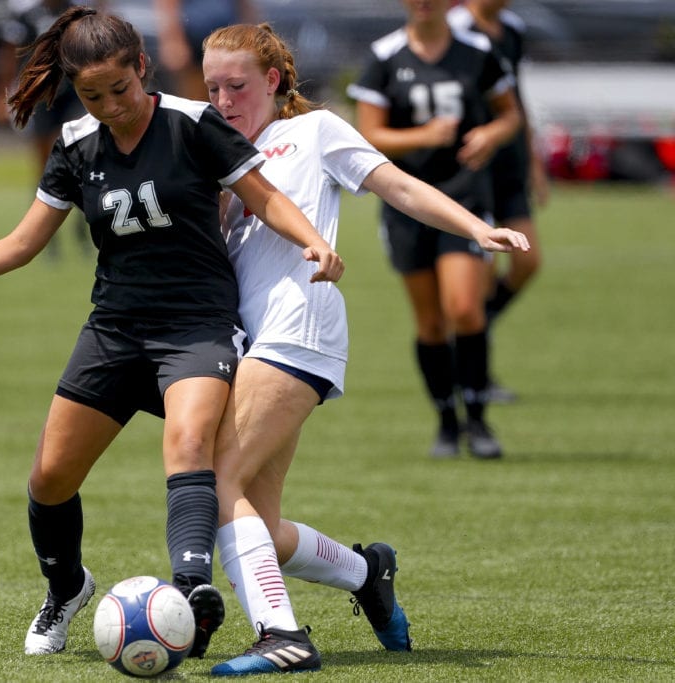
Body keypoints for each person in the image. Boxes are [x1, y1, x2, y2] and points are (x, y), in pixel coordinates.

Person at [0, 5, 343, 660]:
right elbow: (24, 242)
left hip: (197, 326)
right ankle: (66, 587)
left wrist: (313, 245)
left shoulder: (193, 124)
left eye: (120, 90)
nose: (109, 105)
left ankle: (191, 595)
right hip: (114, 331)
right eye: (91, 94)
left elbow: (266, 197)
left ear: (143, 68)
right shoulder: (76, 143)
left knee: (188, 444)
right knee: (50, 478)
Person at [200, 22, 529, 675]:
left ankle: (281, 635)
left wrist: (475, 228)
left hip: (301, 326)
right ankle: (367, 571)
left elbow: (396, 184)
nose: (223, 99)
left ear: (273, 80)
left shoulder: (316, 130)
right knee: (258, 521)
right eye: (211, 87)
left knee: (215, 482)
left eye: (236, 85)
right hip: (249, 338)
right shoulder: (217, 149)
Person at [348, 0, 522, 459]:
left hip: (465, 196)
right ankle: (447, 423)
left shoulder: (477, 51)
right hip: (406, 201)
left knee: (465, 308)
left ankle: (479, 421)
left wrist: (491, 134)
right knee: (429, 321)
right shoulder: (386, 55)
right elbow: (367, 134)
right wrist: (423, 137)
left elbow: (510, 113)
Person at [448, 0, 548, 403]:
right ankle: (477, 377)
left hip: (510, 162)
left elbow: (514, 100)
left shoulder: (512, 29)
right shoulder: (454, 27)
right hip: (474, 167)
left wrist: (534, 161)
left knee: (527, 261)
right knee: (481, 276)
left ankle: (472, 338)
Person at [0, 0, 93, 259]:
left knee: (82, 159)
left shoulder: (78, 13)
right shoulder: (25, 16)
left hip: (74, 95)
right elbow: (9, 55)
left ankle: (86, 226)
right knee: (47, 166)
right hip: (42, 96)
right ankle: (46, 238)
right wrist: (2, 95)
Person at [153, 0, 257, 100]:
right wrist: (173, 41)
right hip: (194, 44)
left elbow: (244, 5)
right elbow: (168, 6)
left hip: (229, 42)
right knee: (197, 102)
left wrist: (251, 35)